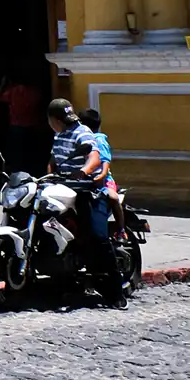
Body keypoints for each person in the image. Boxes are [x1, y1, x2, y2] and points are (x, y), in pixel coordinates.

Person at [45, 99, 118, 294]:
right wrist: (49, 175)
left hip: (88, 190)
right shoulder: (58, 136)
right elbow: (53, 160)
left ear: (54, 119)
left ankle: (114, 289)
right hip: (64, 190)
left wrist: (85, 170)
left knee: (96, 236)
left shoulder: (82, 132)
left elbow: (94, 157)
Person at [0, 72, 44, 176]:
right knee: (30, 152)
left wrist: (3, 84)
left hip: (16, 126)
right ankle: (31, 174)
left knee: (17, 154)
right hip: (31, 125)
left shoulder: (13, 91)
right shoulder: (34, 92)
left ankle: (17, 175)